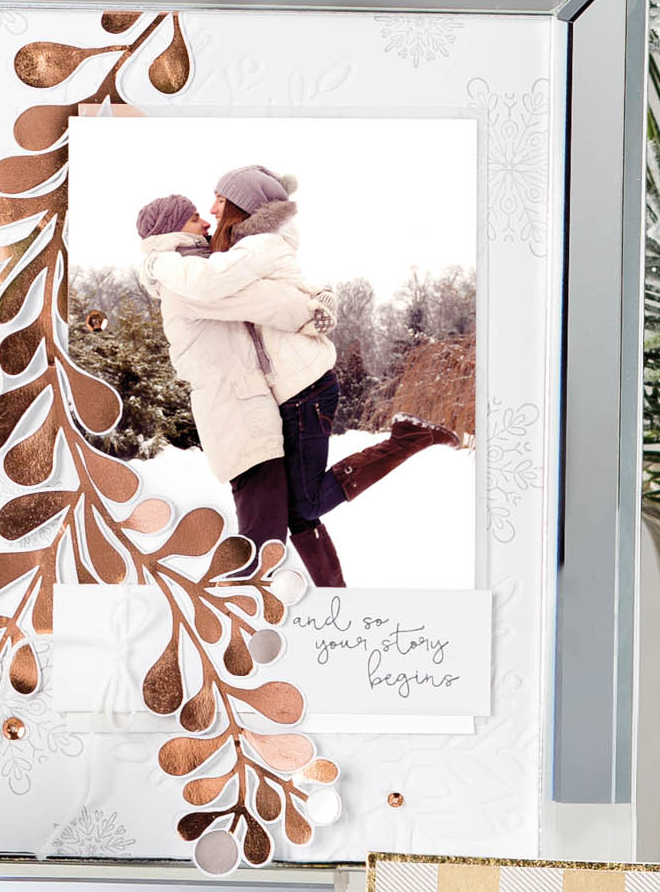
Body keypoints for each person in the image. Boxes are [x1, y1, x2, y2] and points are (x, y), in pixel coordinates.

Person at [143, 166, 459, 589]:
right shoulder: (212, 264)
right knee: (299, 511)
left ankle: (407, 440)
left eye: (217, 201)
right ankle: (334, 595)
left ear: (239, 204)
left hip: (303, 387)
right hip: (285, 392)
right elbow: (245, 293)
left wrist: (312, 308)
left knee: (303, 505)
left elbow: (267, 300)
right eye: (198, 213)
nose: (210, 214)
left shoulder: (249, 250)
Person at [132, 188, 318, 581]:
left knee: (267, 530)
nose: (205, 222)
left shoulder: (194, 271)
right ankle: (232, 605)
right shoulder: (187, 282)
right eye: (193, 218)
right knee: (262, 536)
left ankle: (240, 600)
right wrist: (313, 308)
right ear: (173, 229)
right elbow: (272, 303)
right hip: (236, 411)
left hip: (243, 406)